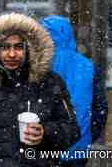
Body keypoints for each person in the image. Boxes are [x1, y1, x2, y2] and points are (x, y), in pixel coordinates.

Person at [0, 13, 80, 167]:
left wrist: (46, 133)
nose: (12, 54)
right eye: (5, 47)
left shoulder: (50, 82)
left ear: (30, 48)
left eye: (18, 47)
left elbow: (72, 130)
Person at [42, 15, 108, 167]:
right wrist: (88, 135)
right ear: (69, 34)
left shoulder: (38, 64)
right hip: (77, 147)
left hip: (42, 146)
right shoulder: (87, 66)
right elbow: (100, 109)